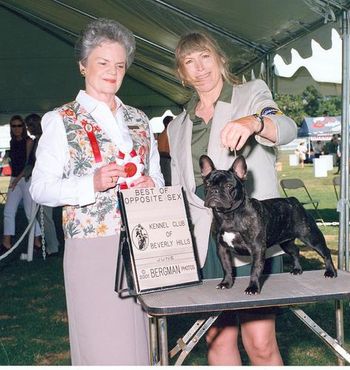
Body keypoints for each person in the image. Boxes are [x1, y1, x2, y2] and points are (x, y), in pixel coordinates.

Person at [30, 18, 164, 365]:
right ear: (82, 65)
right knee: (102, 347)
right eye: (103, 62)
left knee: (142, 346)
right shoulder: (61, 120)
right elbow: (40, 188)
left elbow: (160, 179)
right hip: (92, 246)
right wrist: (90, 184)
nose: (112, 71)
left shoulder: (138, 119)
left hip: (143, 243)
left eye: (120, 65)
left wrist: (152, 185)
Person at [167, 32, 297, 365]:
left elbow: (286, 128)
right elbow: (177, 190)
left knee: (260, 340)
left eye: (205, 57)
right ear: (182, 72)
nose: (199, 68)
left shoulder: (251, 94)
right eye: (189, 62)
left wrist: (254, 122)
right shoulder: (178, 125)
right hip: (206, 239)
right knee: (217, 338)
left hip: (250, 229)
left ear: (220, 59)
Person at [0, 115, 41, 256]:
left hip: (26, 179)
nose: (17, 128)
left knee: (30, 213)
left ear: (23, 127)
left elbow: (28, 164)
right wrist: (14, 178)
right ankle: (6, 242)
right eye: (13, 126)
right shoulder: (12, 142)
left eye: (19, 125)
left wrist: (17, 179)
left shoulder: (28, 141)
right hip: (15, 179)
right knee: (8, 211)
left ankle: (37, 241)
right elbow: (14, 162)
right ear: (11, 128)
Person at [24, 113, 60, 257]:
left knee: (45, 215)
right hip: (40, 181)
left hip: (48, 181)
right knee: (42, 215)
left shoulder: (46, 140)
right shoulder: (37, 141)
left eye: (31, 125)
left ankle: (53, 246)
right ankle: (52, 244)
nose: (29, 128)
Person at [157, 115, 173, 185]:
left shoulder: (167, 133)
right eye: (172, 121)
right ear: (167, 124)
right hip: (165, 160)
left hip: (166, 159)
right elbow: (162, 151)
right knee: (168, 182)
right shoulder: (165, 134)